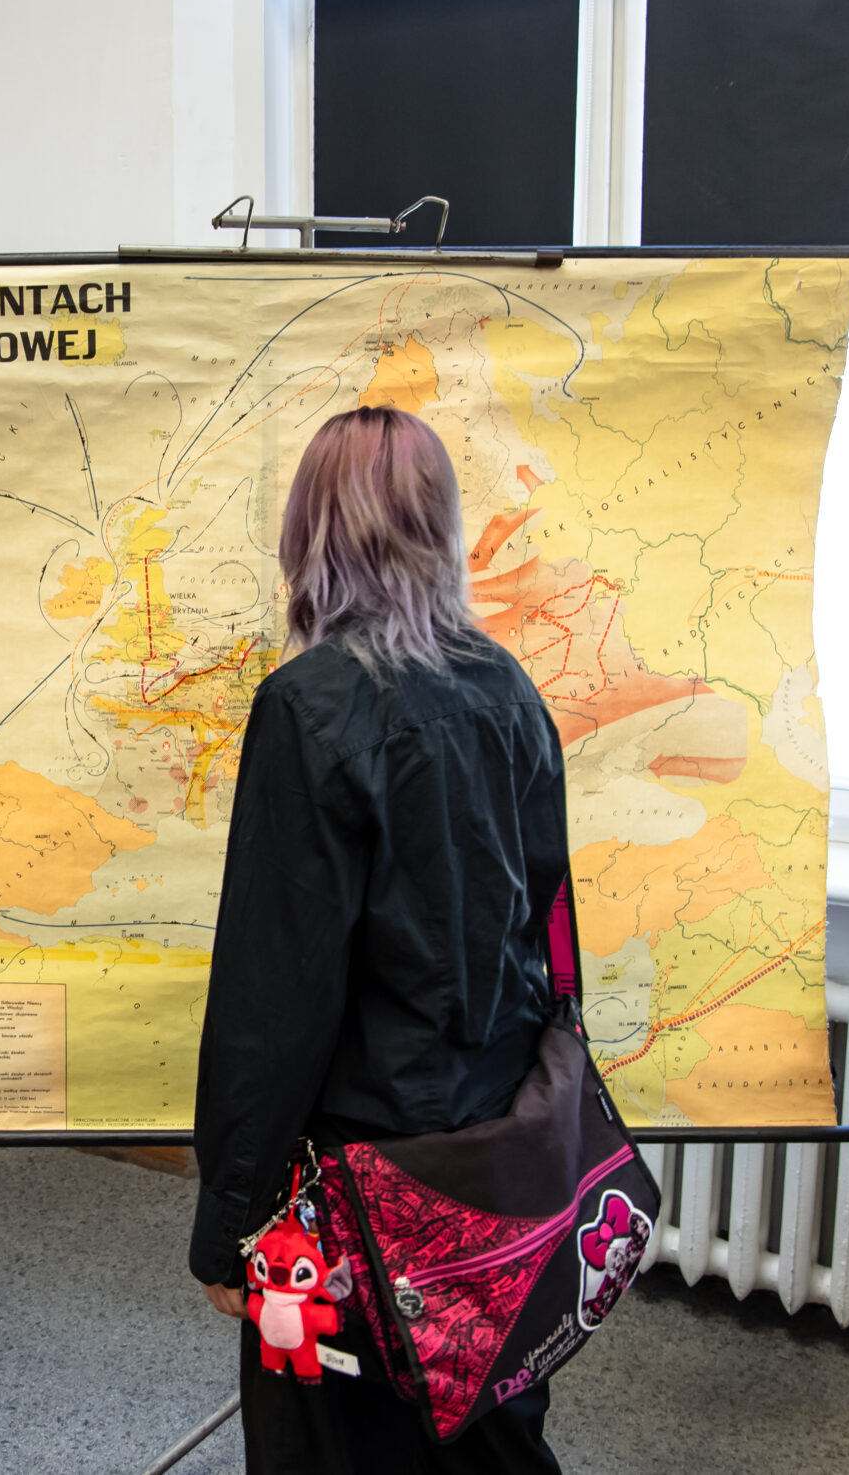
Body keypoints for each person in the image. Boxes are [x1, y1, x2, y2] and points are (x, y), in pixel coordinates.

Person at [189, 406, 572, 1475]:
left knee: (331, 1442)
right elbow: (551, 927)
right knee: (489, 1425)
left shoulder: (307, 708)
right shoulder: (506, 686)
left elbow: (275, 998)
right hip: (492, 1155)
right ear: (437, 530)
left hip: (353, 1182)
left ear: (310, 536)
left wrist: (229, 1226)